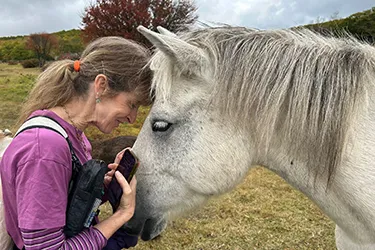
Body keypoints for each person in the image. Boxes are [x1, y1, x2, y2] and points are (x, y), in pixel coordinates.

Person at [0, 36, 152, 249]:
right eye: (132, 104)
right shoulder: (46, 148)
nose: (132, 118)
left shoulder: (71, 133)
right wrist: (121, 216)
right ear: (101, 86)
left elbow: (64, 203)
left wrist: (102, 186)